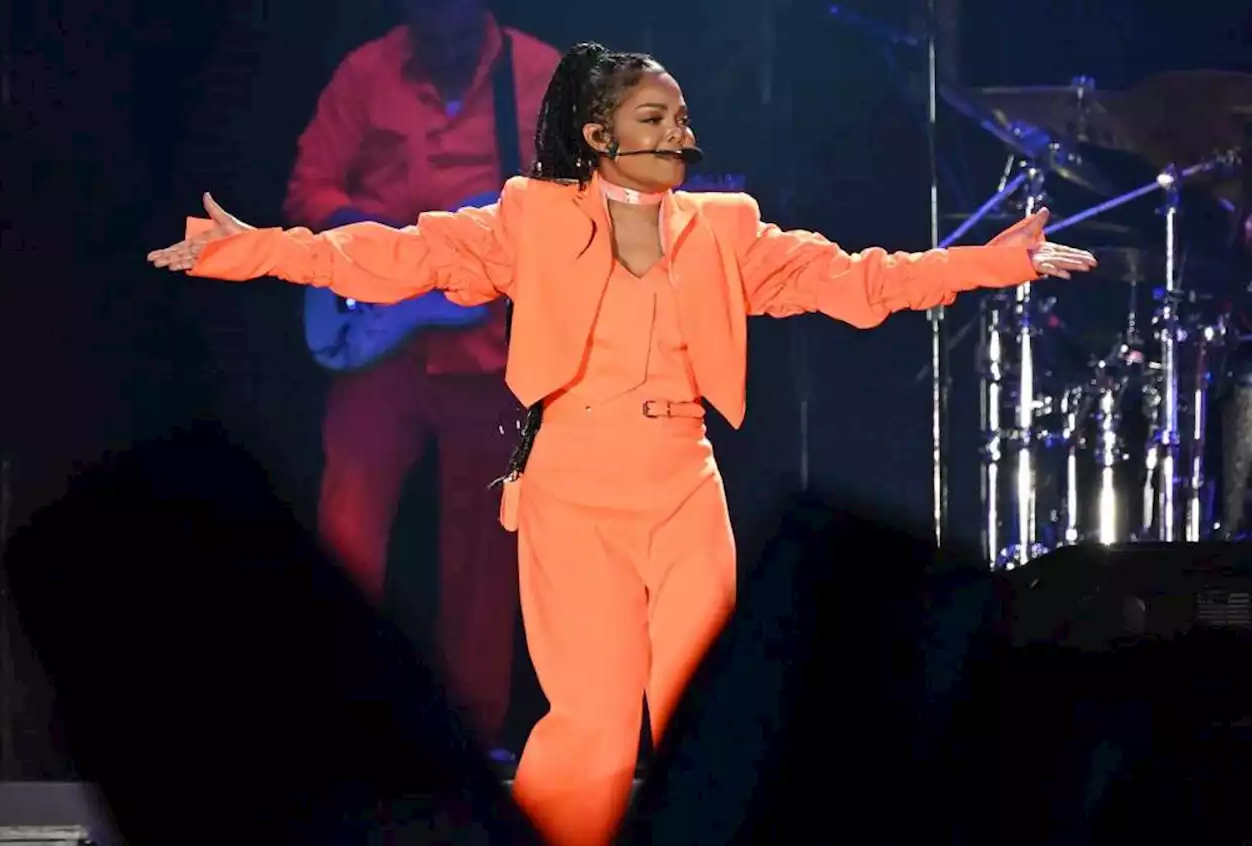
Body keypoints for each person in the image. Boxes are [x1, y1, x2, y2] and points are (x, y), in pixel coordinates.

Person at [148, 41, 1097, 846]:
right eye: (652, 119)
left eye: (680, 117)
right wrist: (255, 248)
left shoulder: (725, 229)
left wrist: (993, 262)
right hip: (572, 483)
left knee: (717, 717)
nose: (677, 135)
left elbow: (853, 281)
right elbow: (400, 256)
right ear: (598, 135)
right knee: (593, 732)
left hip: (685, 482)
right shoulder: (531, 216)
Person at [284, 0, 560, 756]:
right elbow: (306, 189)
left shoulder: (540, 77)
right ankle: (336, 722)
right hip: (379, 350)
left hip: (489, 355)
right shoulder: (365, 73)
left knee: (483, 550)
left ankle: (469, 740)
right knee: (346, 532)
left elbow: (578, 205)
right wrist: (385, 252)